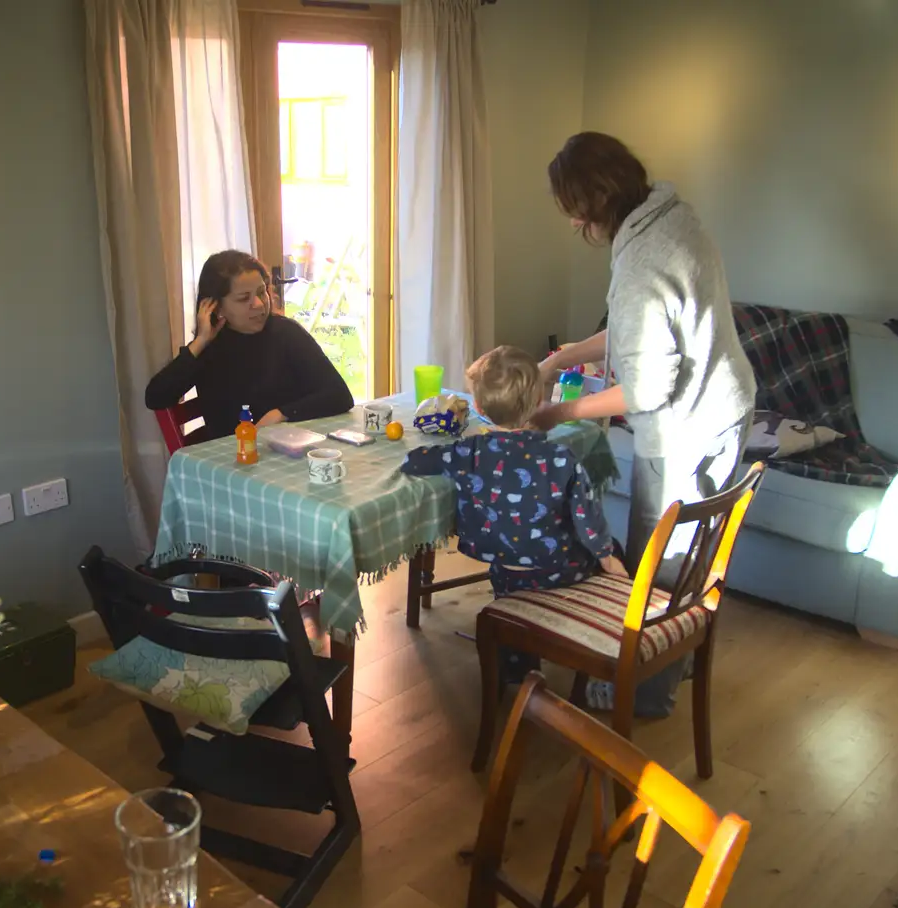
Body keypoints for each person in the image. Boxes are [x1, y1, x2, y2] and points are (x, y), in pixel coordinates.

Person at [534, 132, 756, 715]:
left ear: (594, 202)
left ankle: (643, 691)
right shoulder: (669, 216)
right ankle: (669, 663)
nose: (576, 223)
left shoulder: (641, 259)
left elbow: (647, 389)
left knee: (664, 561)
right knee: (683, 561)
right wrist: (560, 358)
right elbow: (636, 330)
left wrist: (558, 411)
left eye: (575, 211)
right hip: (724, 404)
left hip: (691, 425)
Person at [402, 346, 624, 686]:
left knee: (509, 612)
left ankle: (518, 679)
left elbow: (417, 462)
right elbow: (587, 519)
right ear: (539, 401)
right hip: (561, 569)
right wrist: (608, 559)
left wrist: (415, 456)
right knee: (618, 551)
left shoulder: (469, 451)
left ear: (477, 407)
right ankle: (606, 657)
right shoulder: (561, 457)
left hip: (508, 575)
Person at [145, 250, 354, 441]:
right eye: (244, 298)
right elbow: (155, 397)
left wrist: (281, 413)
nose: (259, 304)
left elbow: (339, 395)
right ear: (216, 307)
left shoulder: (286, 333)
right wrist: (199, 342)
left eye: (261, 292)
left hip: (286, 452)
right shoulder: (208, 348)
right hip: (233, 461)